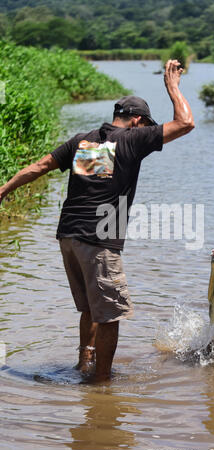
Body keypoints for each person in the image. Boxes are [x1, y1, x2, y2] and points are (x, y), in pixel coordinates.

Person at [0, 59, 195, 382]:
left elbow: (37, 167)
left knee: (91, 307)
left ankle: (83, 364)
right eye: (145, 125)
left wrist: (3, 189)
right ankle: (101, 384)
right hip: (97, 242)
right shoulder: (133, 139)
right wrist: (172, 87)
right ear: (137, 121)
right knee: (110, 316)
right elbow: (185, 123)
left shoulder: (85, 141)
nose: (147, 130)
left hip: (69, 239)